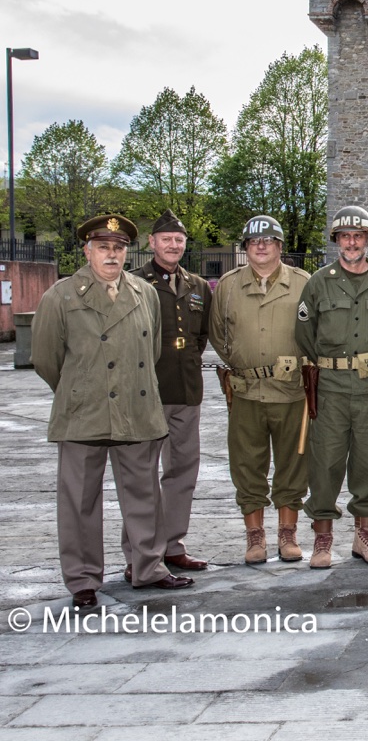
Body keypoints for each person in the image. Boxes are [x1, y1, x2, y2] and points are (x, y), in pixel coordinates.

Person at [32, 214, 193, 609]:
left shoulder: (143, 292)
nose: (111, 254)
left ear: (127, 253)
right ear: (88, 250)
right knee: (80, 502)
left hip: (136, 410)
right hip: (83, 412)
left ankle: (147, 566)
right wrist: (80, 390)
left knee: (143, 496)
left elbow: (151, 350)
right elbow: (46, 359)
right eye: (103, 247)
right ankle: (83, 579)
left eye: (118, 248)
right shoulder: (62, 295)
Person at [295, 205, 368, 568]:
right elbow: (304, 332)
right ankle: (323, 539)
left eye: (359, 236)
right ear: (336, 240)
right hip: (330, 389)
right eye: (345, 236)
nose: (352, 242)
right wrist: (331, 364)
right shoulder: (319, 281)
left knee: (367, 464)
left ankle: (364, 535)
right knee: (325, 463)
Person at [210, 214, 312, 564]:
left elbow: (313, 332)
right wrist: (243, 360)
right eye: (254, 242)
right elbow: (218, 334)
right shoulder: (227, 285)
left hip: (291, 391)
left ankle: (287, 534)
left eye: (268, 241)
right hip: (246, 391)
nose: (262, 246)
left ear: (280, 246)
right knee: (246, 465)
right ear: (246, 248)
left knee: (293, 464)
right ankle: (255, 537)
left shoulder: (303, 283)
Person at [128, 208, 211, 578]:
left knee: (182, 472)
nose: (173, 245)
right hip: (149, 391)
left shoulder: (196, 285)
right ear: (151, 243)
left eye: (178, 240)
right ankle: (138, 554)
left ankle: (173, 546)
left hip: (186, 388)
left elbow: (200, 336)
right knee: (142, 477)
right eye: (166, 239)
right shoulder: (134, 282)